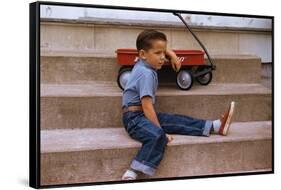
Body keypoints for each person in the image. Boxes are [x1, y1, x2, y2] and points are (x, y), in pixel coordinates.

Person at [121, 29, 235, 180]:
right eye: (158, 54)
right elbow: (147, 106)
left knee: (175, 120)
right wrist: (160, 130)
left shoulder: (144, 64)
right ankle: (133, 171)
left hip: (140, 114)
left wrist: (172, 55)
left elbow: (158, 47)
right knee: (158, 136)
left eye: (164, 53)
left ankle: (215, 126)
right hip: (134, 119)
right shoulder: (146, 74)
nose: (163, 57)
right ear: (143, 54)